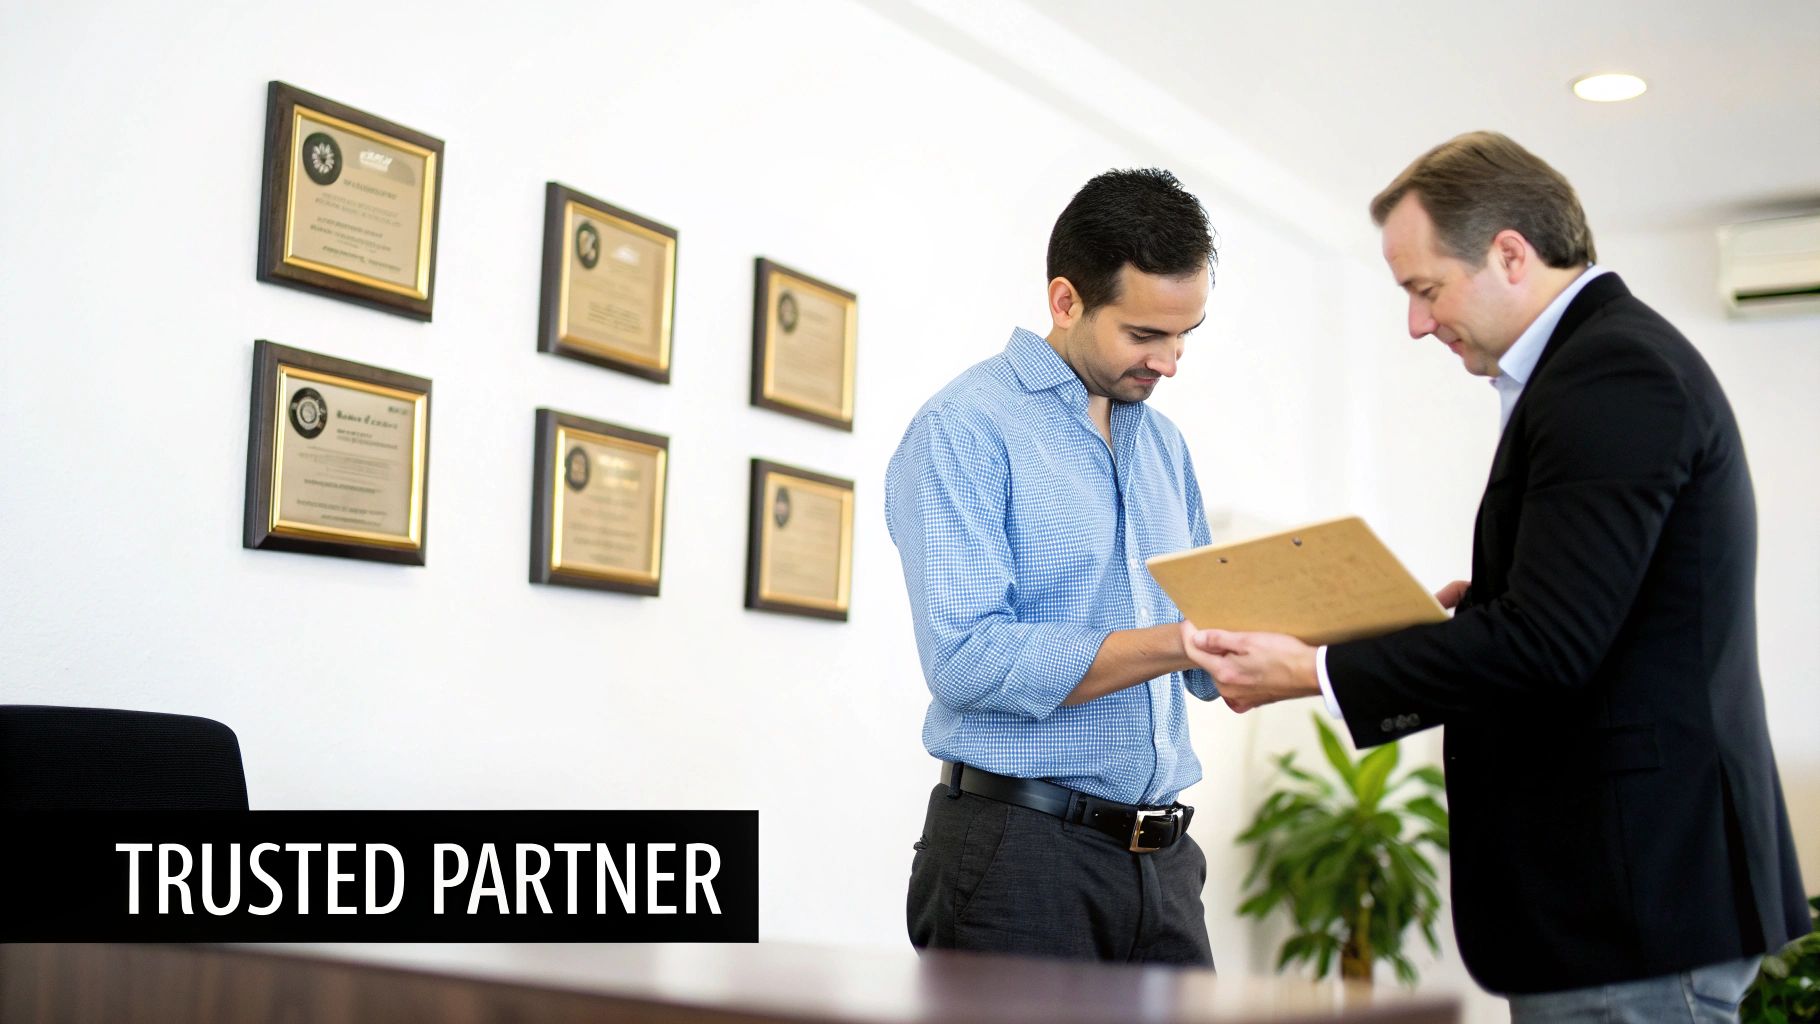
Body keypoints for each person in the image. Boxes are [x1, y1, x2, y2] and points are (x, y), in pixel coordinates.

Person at [1180, 132, 1809, 1021]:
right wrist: (1464, 619)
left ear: (1510, 253)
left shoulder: (1612, 374)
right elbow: (1578, 620)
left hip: (1634, 905)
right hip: (1621, 909)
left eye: (1425, 289)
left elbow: (1550, 645)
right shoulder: (1596, 368)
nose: (1418, 323)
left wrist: (1313, 671)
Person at [885, 168, 1222, 964]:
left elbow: (1210, 653)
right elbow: (967, 660)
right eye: (1144, 336)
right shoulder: (963, 428)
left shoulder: (1164, 445)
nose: (1169, 363)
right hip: (1019, 858)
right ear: (1066, 301)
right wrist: (1179, 642)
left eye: (1185, 335)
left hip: (1167, 867)